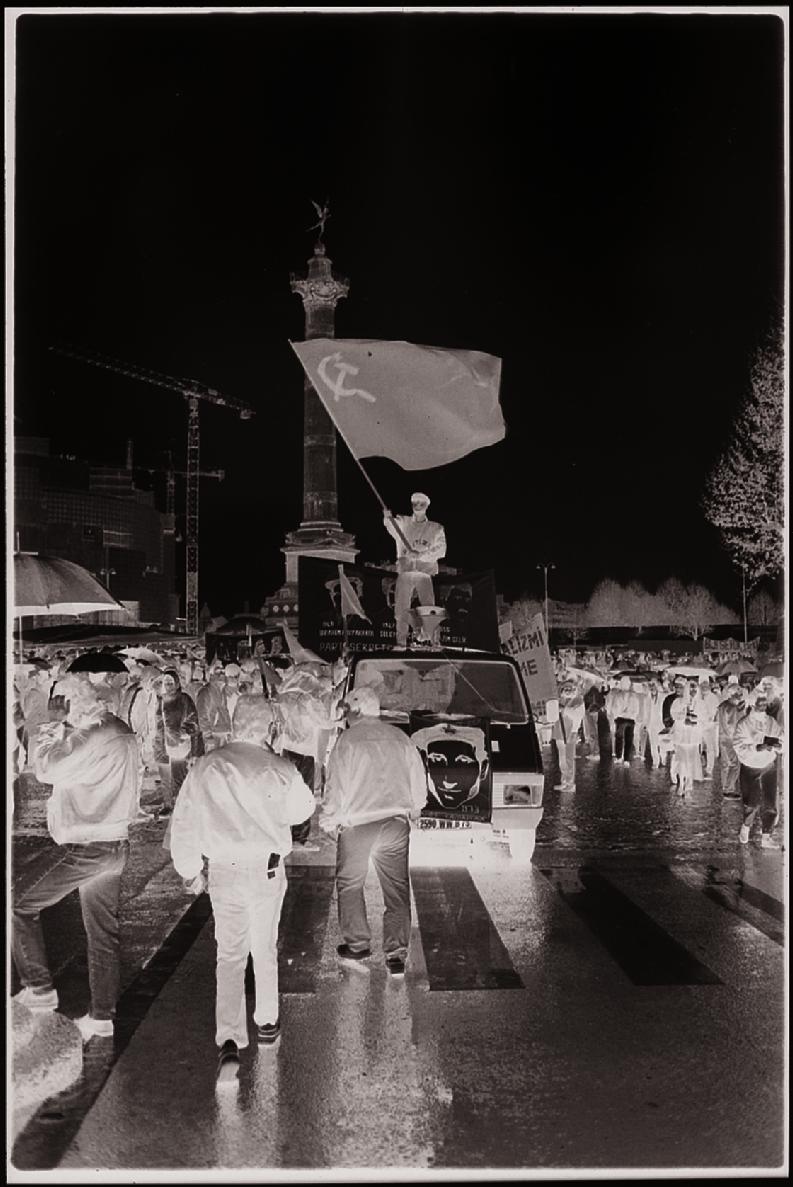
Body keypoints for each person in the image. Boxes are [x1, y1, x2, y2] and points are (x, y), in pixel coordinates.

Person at [169, 697, 315, 1085]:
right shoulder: (280, 767)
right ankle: (267, 1022)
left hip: (223, 871)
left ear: (235, 724)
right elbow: (302, 811)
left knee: (229, 955)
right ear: (268, 728)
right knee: (263, 948)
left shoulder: (206, 766)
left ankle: (230, 1040)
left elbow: (183, 821)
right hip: (265, 869)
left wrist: (189, 870)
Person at [12, 678, 140, 1041]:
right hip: (114, 842)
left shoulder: (93, 734)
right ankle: (102, 1015)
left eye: (60, 700)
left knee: (18, 902)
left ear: (73, 702)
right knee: (103, 934)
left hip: (88, 843)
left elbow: (48, 769)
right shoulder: (119, 729)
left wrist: (53, 728)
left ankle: (39, 988)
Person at [320, 686, 428, 977]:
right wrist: (414, 811)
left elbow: (335, 787)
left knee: (350, 883)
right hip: (396, 822)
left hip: (359, 823)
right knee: (397, 889)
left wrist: (329, 822)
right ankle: (395, 955)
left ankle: (357, 944)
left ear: (355, 711)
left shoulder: (347, 741)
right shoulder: (400, 738)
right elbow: (419, 786)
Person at [383, 492, 447, 650]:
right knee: (401, 606)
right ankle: (401, 641)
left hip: (424, 573)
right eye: (415, 502)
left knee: (429, 607)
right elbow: (392, 527)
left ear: (427, 505)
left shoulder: (436, 528)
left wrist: (421, 555)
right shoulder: (404, 522)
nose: (418, 505)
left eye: (421, 503)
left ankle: (434, 640)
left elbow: (441, 550)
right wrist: (387, 517)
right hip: (405, 571)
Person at [734, 691, 784, 848]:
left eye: (764, 703)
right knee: (752, 801)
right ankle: (746, 826)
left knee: (770, 800)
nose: (763, 706)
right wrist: (756, 747)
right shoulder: (743, 724)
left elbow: (782, 736)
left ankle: (766, 835)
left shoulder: (771, 721)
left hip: (769, 764)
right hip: (750, 766)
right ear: (752, 704)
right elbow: (738, 745)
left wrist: (779, 745)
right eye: (759, 703)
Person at [152, 668, 203, 817]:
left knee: (179, 778)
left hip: (178, 745)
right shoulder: (159, 699)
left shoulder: (184, 699)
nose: (168, 685)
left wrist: (184, 733)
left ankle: (182, 806)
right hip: (161, 743)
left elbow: (193, 720)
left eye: (170, 682)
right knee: (166, 778)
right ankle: (168, 804)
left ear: (177, 683)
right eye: (165, 682)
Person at [552, 679, 585, 792]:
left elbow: (578, 716)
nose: (567, 691)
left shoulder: (579, 701)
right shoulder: (560, 700)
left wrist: (565, 710)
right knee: (562, 759)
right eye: (565, 689)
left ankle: (570, 783)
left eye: (570, 689)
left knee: (569, 758)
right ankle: (564, 781)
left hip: (571, 732)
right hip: (559, 732)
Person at [716, 684, 747, 798]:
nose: (740, 695)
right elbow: (732, 726)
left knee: (725, 764)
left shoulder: (723, 705)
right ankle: (729, 789)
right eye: (738, 693)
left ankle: (725, 787)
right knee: (734, 765)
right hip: (731, 739)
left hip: (723, 738)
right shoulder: (732, 707)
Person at [605, 676, 640, 765]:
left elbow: (615, 708)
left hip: (620, 719)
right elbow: (637, 709)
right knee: (629, 739)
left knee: (619, 738)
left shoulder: (618, 695)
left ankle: (619, 756)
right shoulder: (634, 695)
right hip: (631, 720)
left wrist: (616, 715)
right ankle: (626, 759)